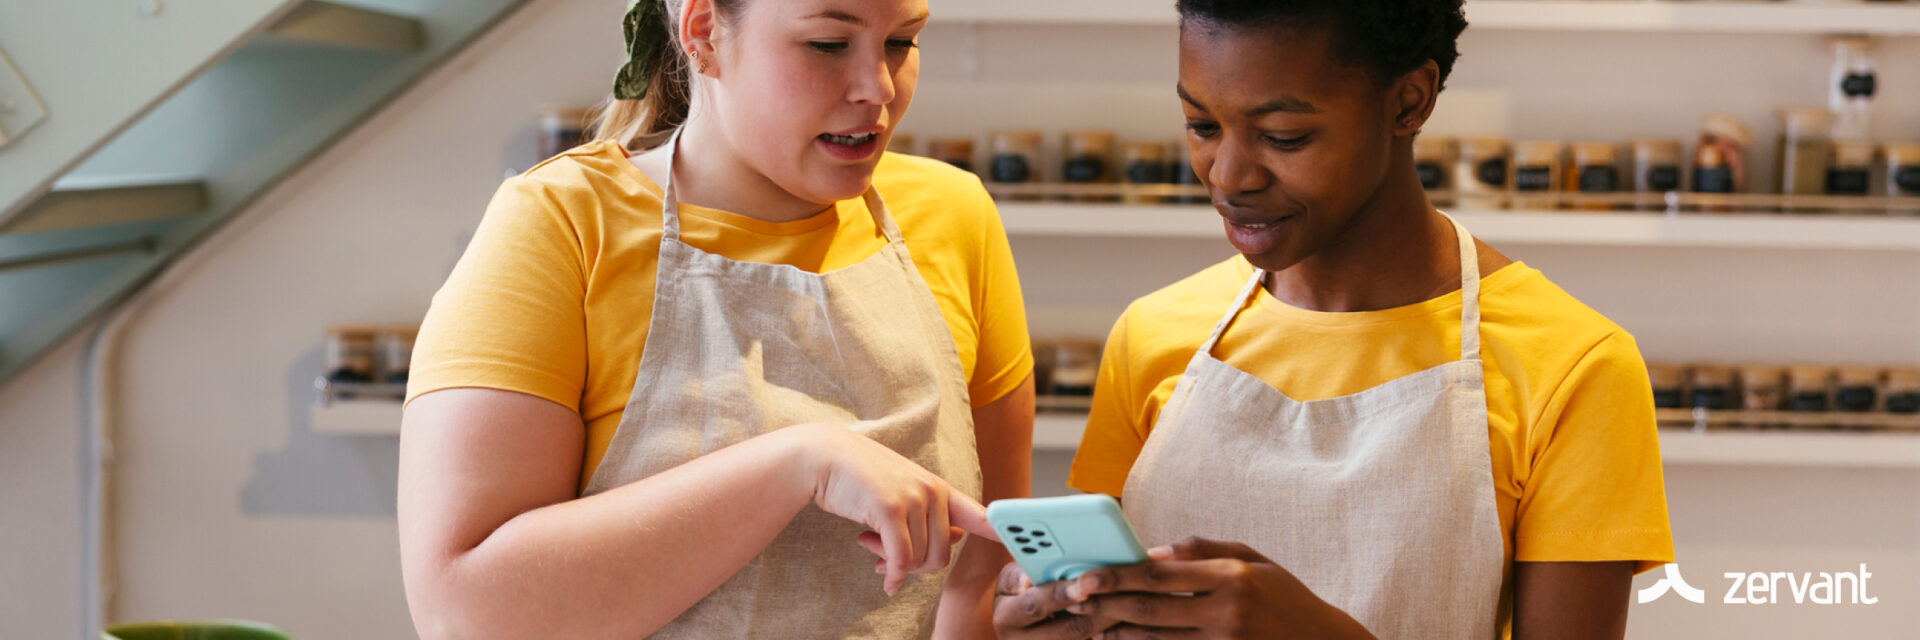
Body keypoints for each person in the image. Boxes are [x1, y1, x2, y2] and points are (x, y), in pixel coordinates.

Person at [993, 1, 1672, 638]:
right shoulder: (1154, 333)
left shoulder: (1576, 366)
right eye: (1202, 125)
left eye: (1283, 136)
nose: (1228, 175)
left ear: (1410, 101)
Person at [396, 0, 1035, 637]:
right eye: (829, 45)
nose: (880, 88)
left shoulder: (954, 215)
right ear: (702, 30)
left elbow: (973, 585)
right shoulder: (563, 224)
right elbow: (463, 614)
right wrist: (799, 466)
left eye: (902, 42)